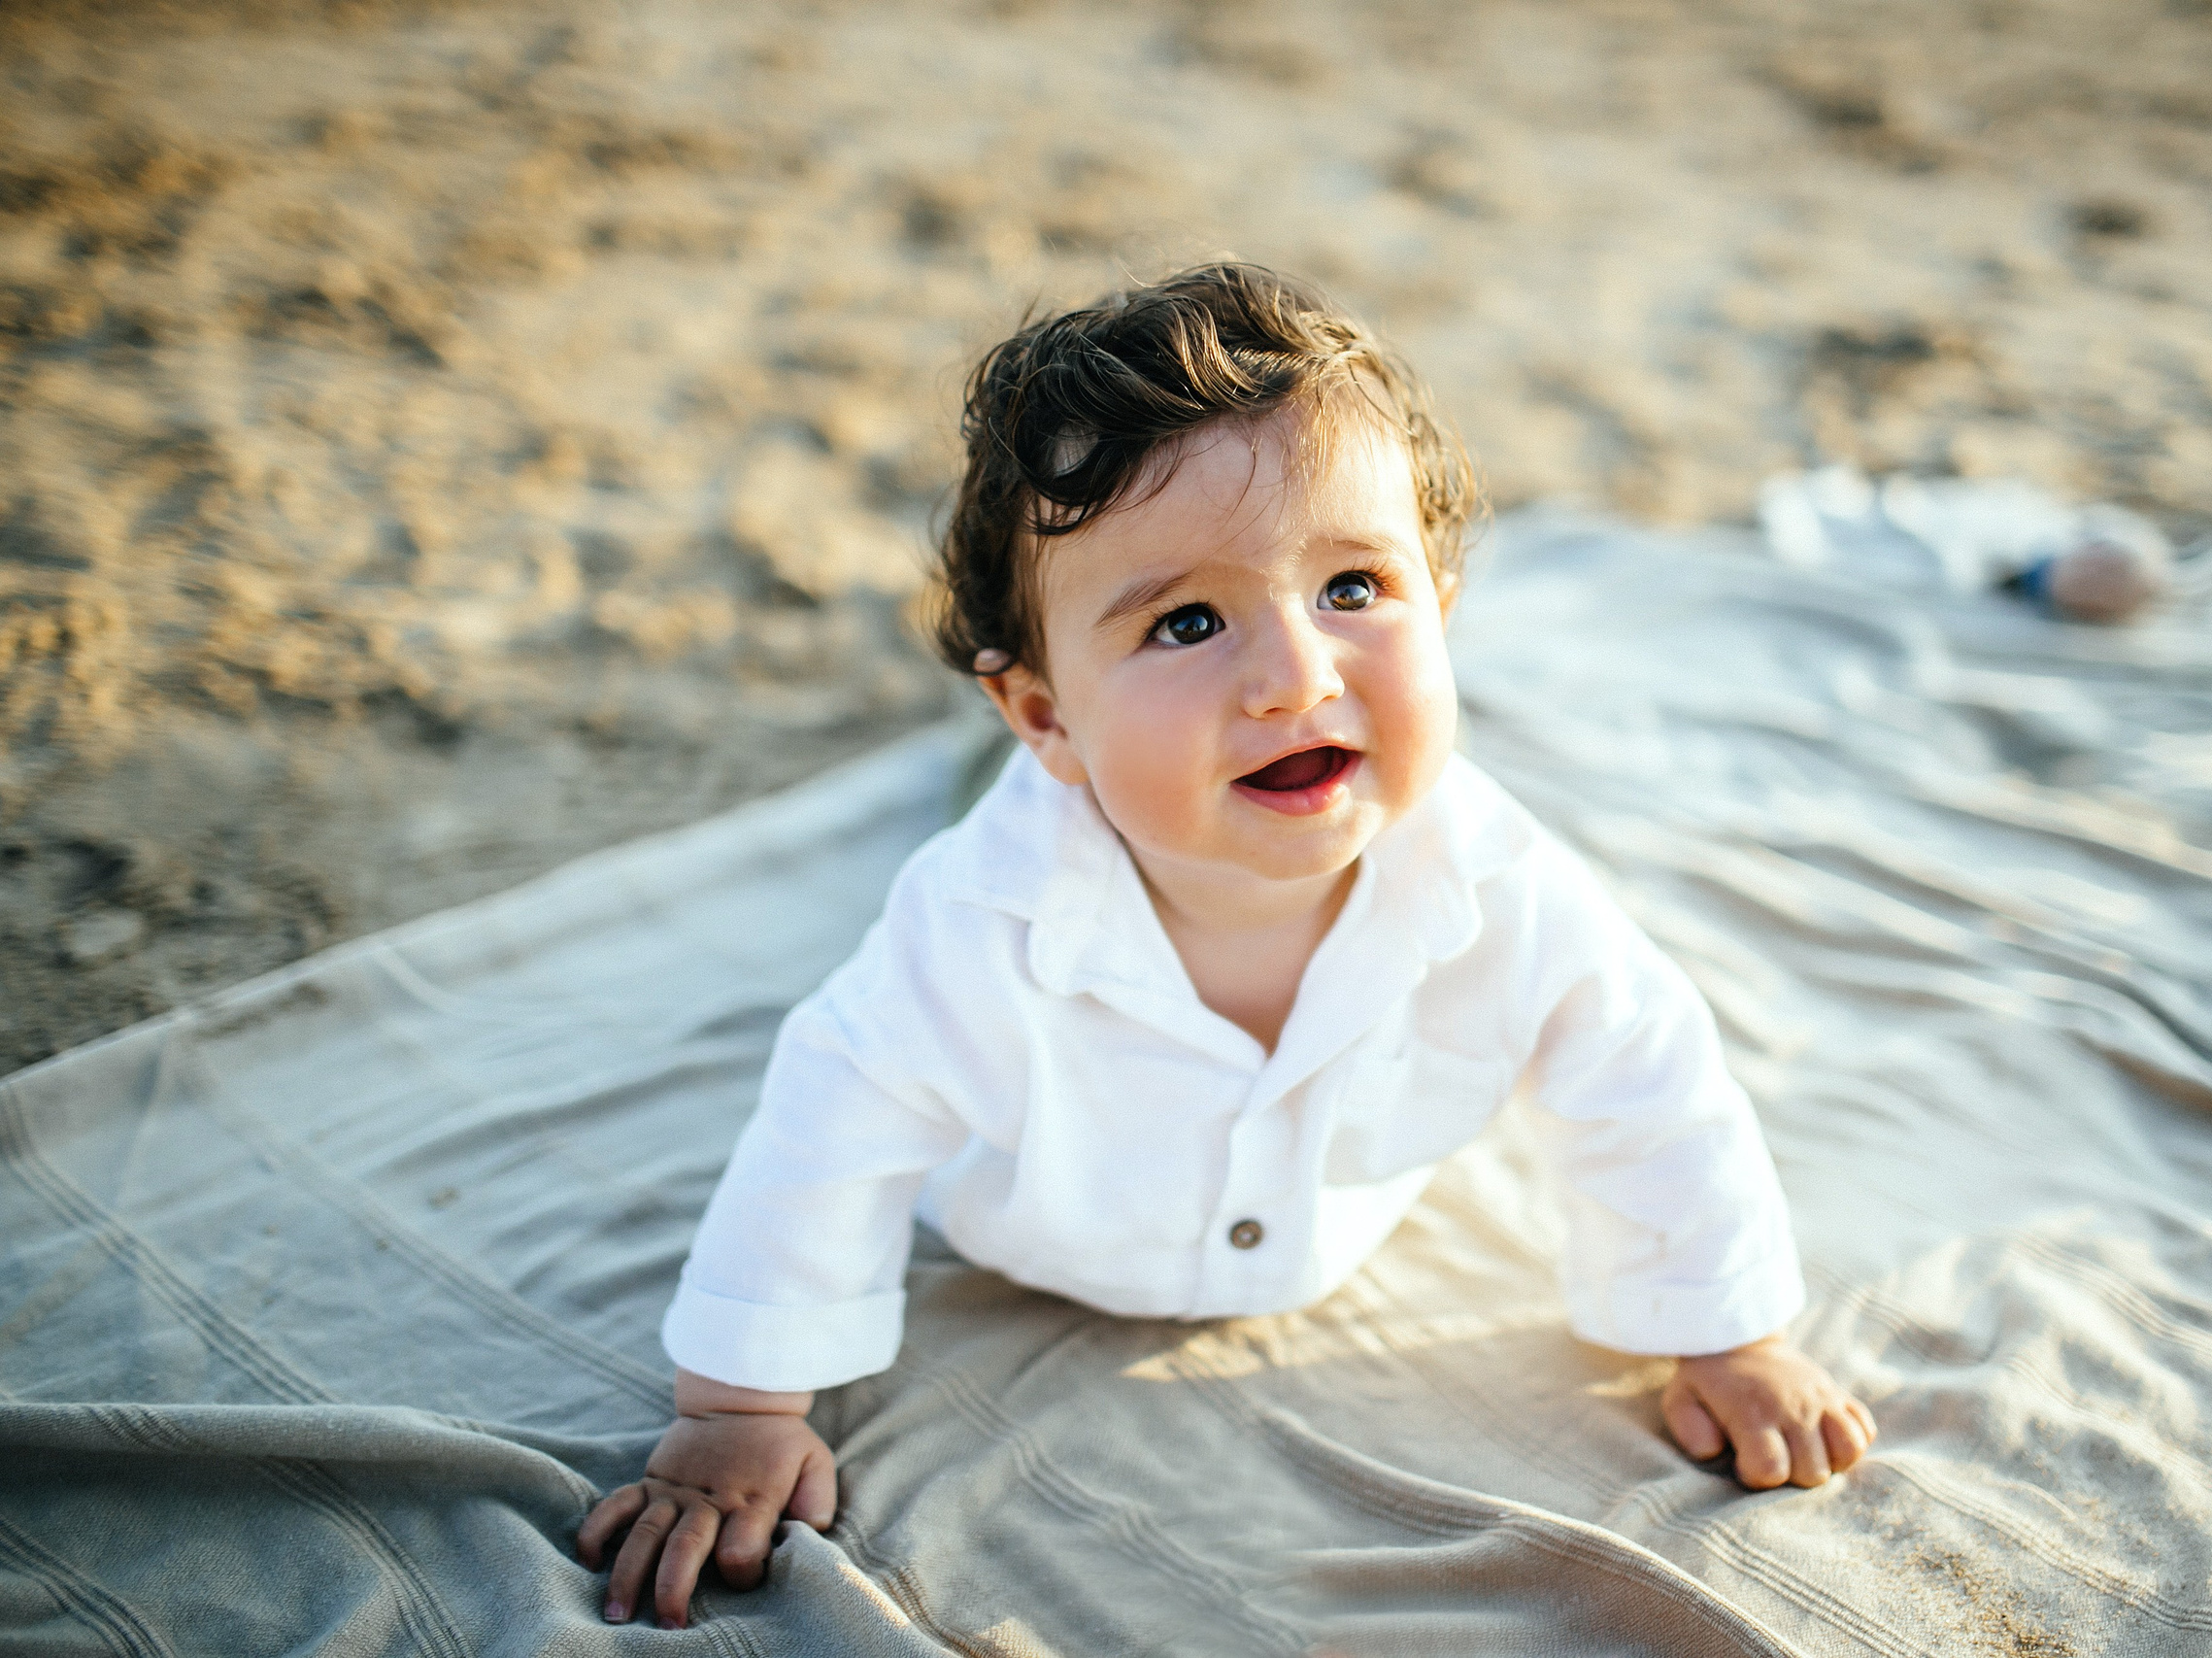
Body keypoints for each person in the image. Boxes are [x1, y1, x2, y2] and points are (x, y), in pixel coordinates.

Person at [577, 263, 1876, 1629]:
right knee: (958, 830)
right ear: (1048, 718)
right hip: (1025, 1213)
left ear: (1441, 602)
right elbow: (829, 1120)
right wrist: (737, 1406)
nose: (1295, 675)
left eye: (1355, 587)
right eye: (1186, 622)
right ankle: (986, 753)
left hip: (1318, 1199)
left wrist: (1726, 1331)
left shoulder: (1508, 890)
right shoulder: (972, 930)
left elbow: (1648, 1080)